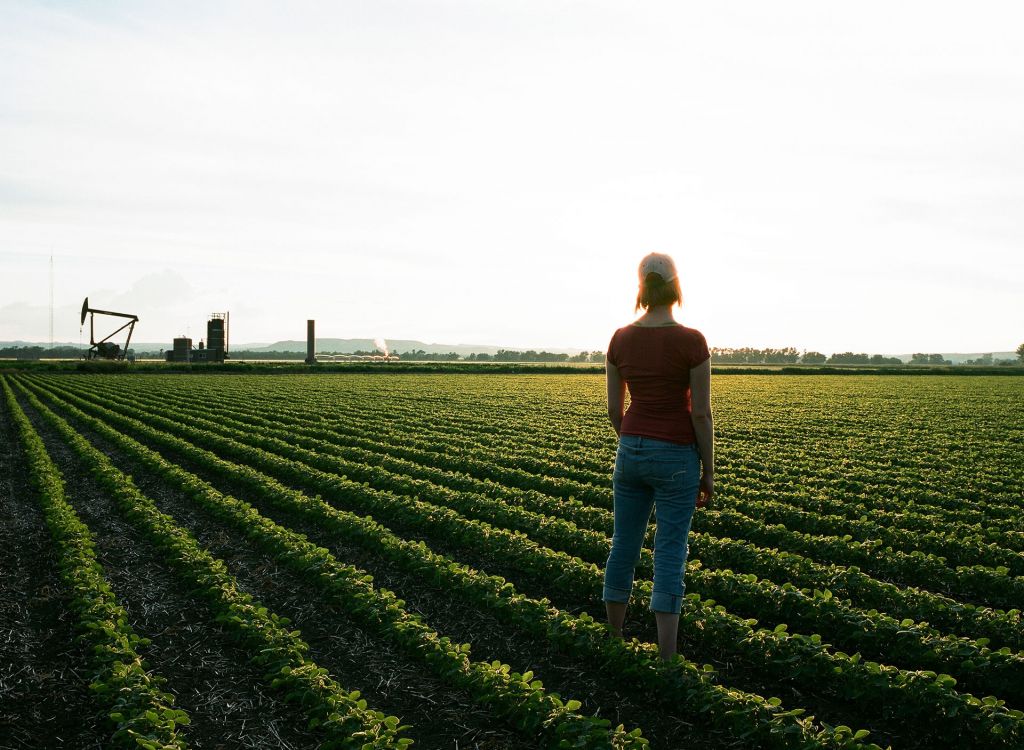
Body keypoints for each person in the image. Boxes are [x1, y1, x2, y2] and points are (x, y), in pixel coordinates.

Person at [602, 252, 714, 661]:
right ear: (676, 287)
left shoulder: (620, 338)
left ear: (641, 287)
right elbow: (700, 413)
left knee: (624, 544)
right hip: (677, 457)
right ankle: (667, 657)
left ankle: (614, 637)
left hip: (630, 449)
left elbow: (616, 411)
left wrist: (634, 439)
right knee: (669, 549)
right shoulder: (692, 341)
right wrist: (709, 471)